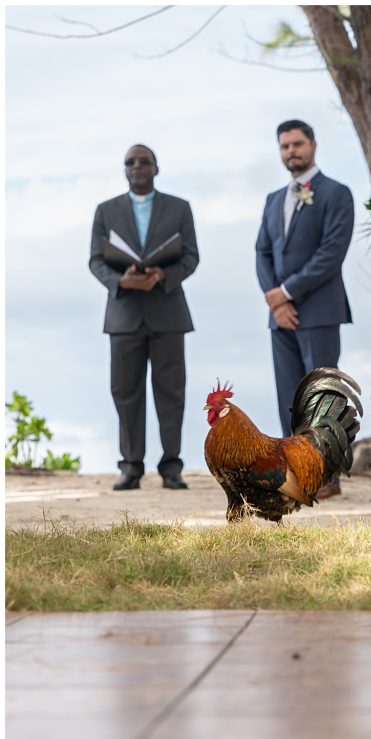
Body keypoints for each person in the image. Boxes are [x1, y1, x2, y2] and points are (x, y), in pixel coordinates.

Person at [89, 144, 199, 491]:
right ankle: (131, 467)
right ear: (124, 170)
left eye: (144, 161)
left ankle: (171, 468)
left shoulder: (179, 208)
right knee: (125, 392)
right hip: (123, 314)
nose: (137, 166)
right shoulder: (106, 211)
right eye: (130, 162)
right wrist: (119, 280)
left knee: (171, 392)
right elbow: (95, 260)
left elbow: (191, 257)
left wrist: (163, 276)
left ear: (156, 167)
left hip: (167, 312)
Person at [256, 119, 354, 500]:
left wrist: (287, 292)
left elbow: (331, 253)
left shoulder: (336, 193)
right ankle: (299, 471)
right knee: (289, 395)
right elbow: (262, 252)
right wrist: (274, 298)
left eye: (297, 144)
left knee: (322, 394)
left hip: (320, 309)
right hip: (279, 316)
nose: (291, 151)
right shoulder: (272, 199)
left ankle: (329, 475)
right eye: (284, 146)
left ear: (313, 145)